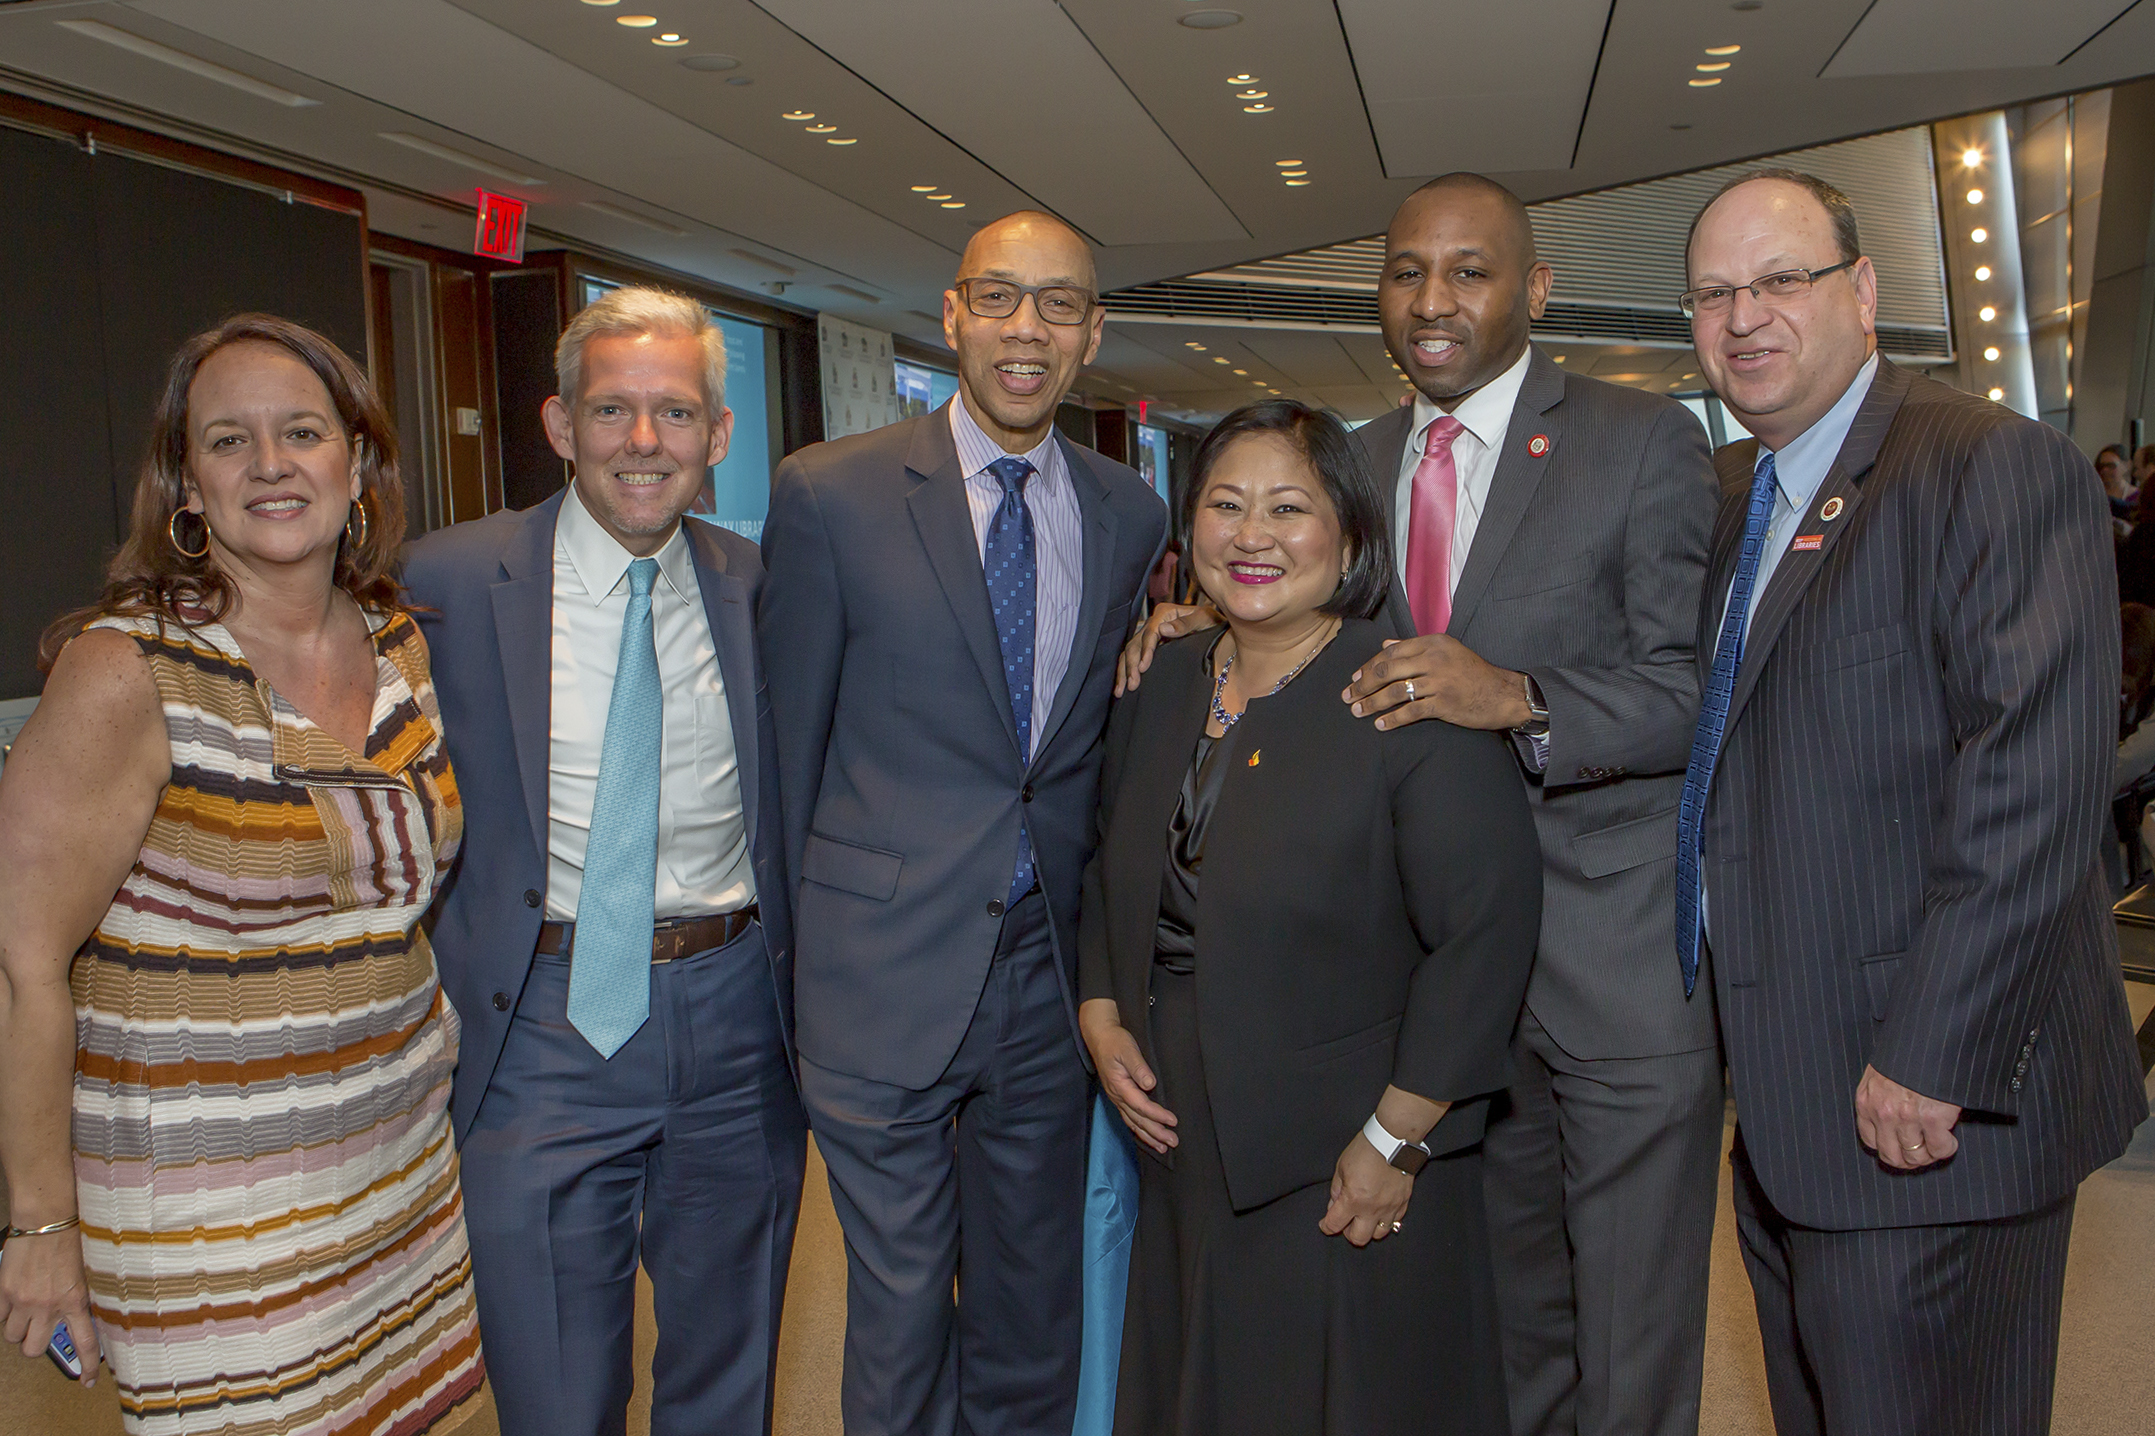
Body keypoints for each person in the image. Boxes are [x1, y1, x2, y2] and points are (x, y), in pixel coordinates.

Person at [1123, 173, 1723, 1436]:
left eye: (1468, 269)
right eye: (1405, 272)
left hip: (1597, 948)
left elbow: (1690, 692)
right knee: (1483, 1317)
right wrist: (1205, 617)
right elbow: (1304, 634)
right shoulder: (1364, 460)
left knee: (1625, 1319)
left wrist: (1519, 693)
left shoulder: (1642, 435)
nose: (1432, 298)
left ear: (1536, 289)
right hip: (1415, 979)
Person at [1679, 168, 2147, 1436]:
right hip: (1784, 1105)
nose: (1745, 317)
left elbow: (2032, 785)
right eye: (1714, 293)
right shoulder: (1733, 499)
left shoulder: (1993, 465)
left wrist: (1932, 1053)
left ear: (1864, 290)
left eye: (1781, 280)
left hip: (1928, 1101)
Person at [0, 316, 482, 1433]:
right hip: (211, 1210)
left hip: (401, 1165)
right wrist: (40, 1229)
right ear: (187, 481)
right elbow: (24, 963)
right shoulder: (127, 668)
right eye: (229, 440)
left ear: (355, 462)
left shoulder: (397, 639)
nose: (271, 463)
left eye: (303, 431)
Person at [760, 210, 1167, 1436]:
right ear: (951, 314)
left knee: (1029, 1303)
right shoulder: (829, 492)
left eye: (1056, 304)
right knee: (895, 1306)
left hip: (1043, 985)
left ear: (1091, 333)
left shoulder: (1126, 512)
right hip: (876, 973)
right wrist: (794, 981)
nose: (1025, 329)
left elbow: (1086, 743)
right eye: (999, 298)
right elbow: (790, 755)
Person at [1079, 401, 1540, 1435]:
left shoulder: (1405, 696)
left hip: (1342, 1149)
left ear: (1350, 533)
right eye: (1225, 504)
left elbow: (1484, 939)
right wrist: (1101, 1007)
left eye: (1289, 507)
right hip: (1182, 1132)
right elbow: (1104, 862)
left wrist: (1396, 1137)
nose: (1252, 535)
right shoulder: (1160, 680)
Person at [402, 287, 805, 1436]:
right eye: (613, 410)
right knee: (556, 1387)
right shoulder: (446, 584)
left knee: (729, 1373)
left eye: (675, 413)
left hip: (735, 1022)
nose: (644, 442)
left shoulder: (762, 584)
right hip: (539, 1022)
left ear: (718, 437)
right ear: (559, 423)